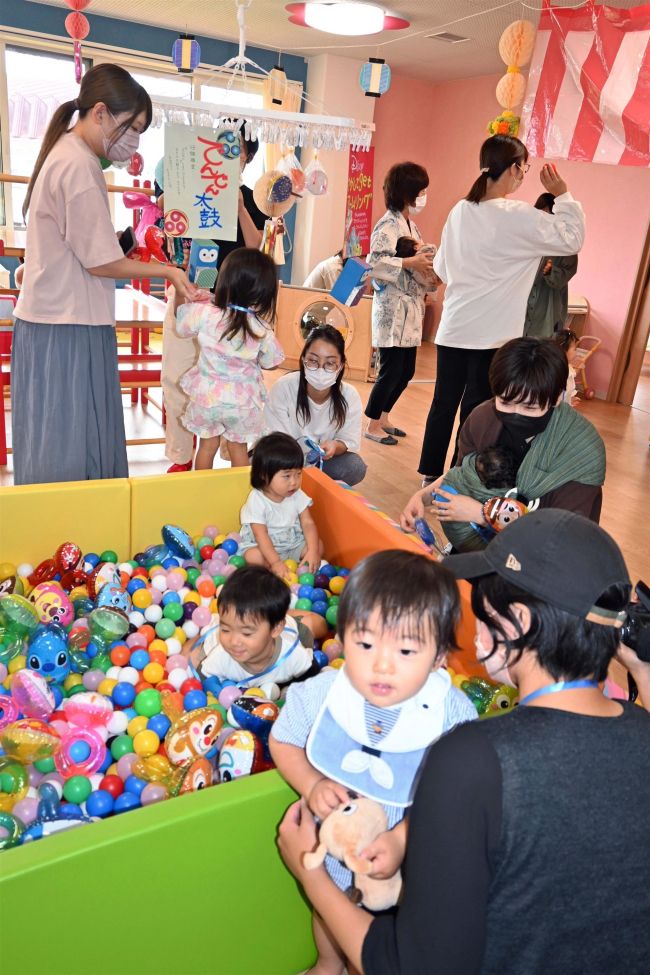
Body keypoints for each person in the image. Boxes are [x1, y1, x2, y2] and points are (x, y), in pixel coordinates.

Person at [277, 510, 650, 975]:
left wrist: (311, 875)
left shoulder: (473, 760)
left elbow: (412, 967)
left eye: (482, 604)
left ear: (515, 622)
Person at [270, 549, 477, 975]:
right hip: (333, 855)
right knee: (328, 909)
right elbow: (283, 740)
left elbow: (458, 797)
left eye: (406, 651)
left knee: (402, 928)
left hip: (411, 865)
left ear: (440, 656)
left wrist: (403, 838)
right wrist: (310, 784)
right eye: (365, 644)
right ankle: (329, 964)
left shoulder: (449, 713)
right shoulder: (323, 695)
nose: (382, 665)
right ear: (343, 638)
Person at [12, 63, 196, 485]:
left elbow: (84, 246)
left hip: (60, 321)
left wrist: (131, 239)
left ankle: (68, 535)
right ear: (100, 113)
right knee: (70, 451)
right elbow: (98, 261)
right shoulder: (78, 165)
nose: (132, 142)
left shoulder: (66, 153)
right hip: (66, 326)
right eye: (131, 128)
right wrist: (167, 271)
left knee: (62, 443)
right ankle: (71, 536)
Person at [418, 135, 585, 485]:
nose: (523, 176)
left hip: (454, 326)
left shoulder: (460, 210)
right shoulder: (519, 216)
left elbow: (445, 270)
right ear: (512, 168)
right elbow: (572, 238)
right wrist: (564, 194)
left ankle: (428, 474)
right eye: (522, 169)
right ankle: (457, 476)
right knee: (478, 410)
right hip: (492, 334)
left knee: (442, 405)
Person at [402, 338, 605, 552]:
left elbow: (564, 539)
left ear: (555, 398)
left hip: (540, 564)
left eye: (530, 407)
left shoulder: (580, 451)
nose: (516, 414)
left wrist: (483, 514)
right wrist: (421, 498)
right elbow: (462, 473)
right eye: (505, 402)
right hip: (481, 547)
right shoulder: (484, 418)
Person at [161, 124, 267, 473]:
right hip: (188, 295)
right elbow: (170, 234)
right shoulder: (192, 187)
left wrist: (238, 207)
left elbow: (256, 249)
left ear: (247, 157)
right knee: (176, 374)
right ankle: (181, 456)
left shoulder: (252, 199)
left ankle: (228, 449)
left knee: (230, 383)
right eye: (221, 147)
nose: (227, 155)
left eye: (236, 150)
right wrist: (170, 203)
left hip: (233, 307)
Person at [173, 248, 284, 471]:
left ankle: (200, 493)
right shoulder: (261, 328)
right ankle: (238, 496)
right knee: (238, 448)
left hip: (208, 398)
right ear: (264, 292)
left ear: (224, 282)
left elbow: (180, 319)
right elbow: (274, 361)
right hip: (242, 403)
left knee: (207, 446)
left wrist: (180, 293)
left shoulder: (205, 313)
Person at [364, 162, 438, 446]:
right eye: (420, 190)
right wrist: (410, 262)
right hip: (391, 309)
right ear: (407, 192)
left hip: (411, 309)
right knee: (391, 369)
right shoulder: (386, 225)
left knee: (406, 371)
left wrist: (429, 275)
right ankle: (372, 424)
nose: (423, 196)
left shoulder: (412, 226)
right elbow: (375, 263)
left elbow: (418, 264)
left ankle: (383, 416)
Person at [182, 565, 314, 701]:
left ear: (275, 629)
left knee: (314, 623)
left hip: (290, 627)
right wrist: (222, 696)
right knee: (190, 658)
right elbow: (205, 675)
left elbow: (312, 681)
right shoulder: (221, 655)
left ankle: (289, 613)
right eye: (226, 629)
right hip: (219, 634)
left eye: (246, 634)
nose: (233, 641)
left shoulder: (293, 656)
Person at [264, 324, 367, 486]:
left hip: (318, 463)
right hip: (283, 460)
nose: (320, 369)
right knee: (263, 465)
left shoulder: (349, 395)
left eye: (330, 363)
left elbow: (346, 440)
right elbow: (274, 442)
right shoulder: (284, 387)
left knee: (354, 466)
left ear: (340, 366)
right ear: (303, 359)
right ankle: (300, 486)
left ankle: (305, 487)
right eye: (313, 361)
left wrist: (335, 446)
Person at [239, 432, 322, 579]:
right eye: (287, 476)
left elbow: (308, 523)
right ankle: (272, 571)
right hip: (263, 547)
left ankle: (292, 569)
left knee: (318, 546)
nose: (294, 482)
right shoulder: (257, 499)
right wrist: (276, 562)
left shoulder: (297, 495)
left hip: (292, 544)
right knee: (254, 557)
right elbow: (260, 534)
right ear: (264, 475)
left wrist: (313, 551)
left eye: (298, 474)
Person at [523, 193, 579, 339]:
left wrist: (550, 272)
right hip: (523, 307)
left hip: (547, 309)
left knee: (540, 350)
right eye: (541, 213)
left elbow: (566, 274)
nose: (544, 218)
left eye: (549, 214)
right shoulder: (529, 239)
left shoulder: (566, 245)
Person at [553, 327, 580, 404]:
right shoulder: (559, 370)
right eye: (575, 349)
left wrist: (569, 399)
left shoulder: (567, 366)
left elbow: (567, 390)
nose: (576, 352)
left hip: (563, 404)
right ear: (563, 351)